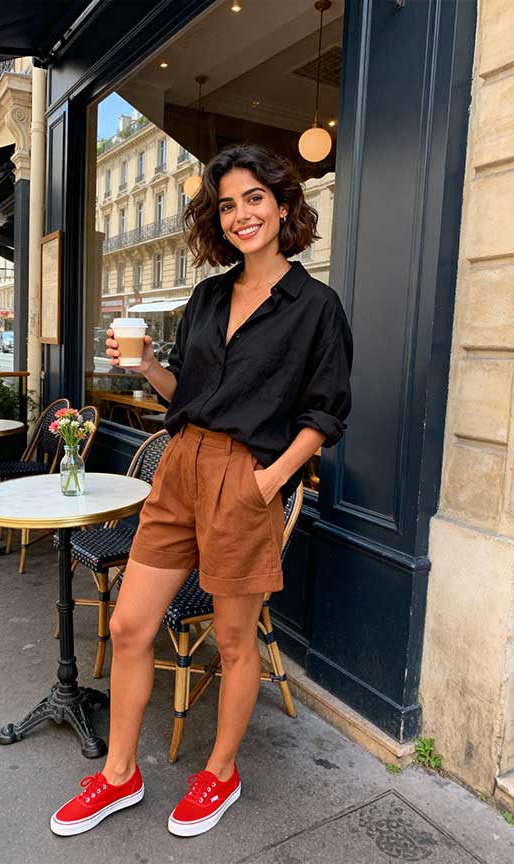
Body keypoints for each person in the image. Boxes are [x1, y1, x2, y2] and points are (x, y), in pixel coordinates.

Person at [50, 144, 352, 838]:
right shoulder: (210, 295)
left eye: (254, 199)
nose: (242, 214)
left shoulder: (316, 307)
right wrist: (149, 363)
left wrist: (269, 481)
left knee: (234, 636)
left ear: (283, 205)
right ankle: (119, 777)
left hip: (246, 475)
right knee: (129, 625)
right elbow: (188, 393)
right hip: (180, 467)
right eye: (227, 205)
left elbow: (326, 414)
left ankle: (220, 772)